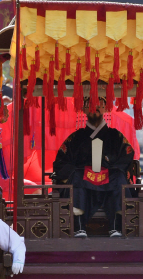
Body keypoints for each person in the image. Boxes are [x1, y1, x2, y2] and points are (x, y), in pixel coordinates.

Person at [52, 97, 135, 237]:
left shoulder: (116, 137)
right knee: (77, 176)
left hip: (109, 181)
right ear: (83, 109)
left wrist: (108, 169)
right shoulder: (75, 139)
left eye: (99, 103)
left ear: (105, 108)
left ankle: (116, 225)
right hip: (83, 183)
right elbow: (61, 162)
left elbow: (127, 157)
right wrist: (80, 170)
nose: (94, 107)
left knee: (119, 176)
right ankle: (78, 225)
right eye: (89, 104)